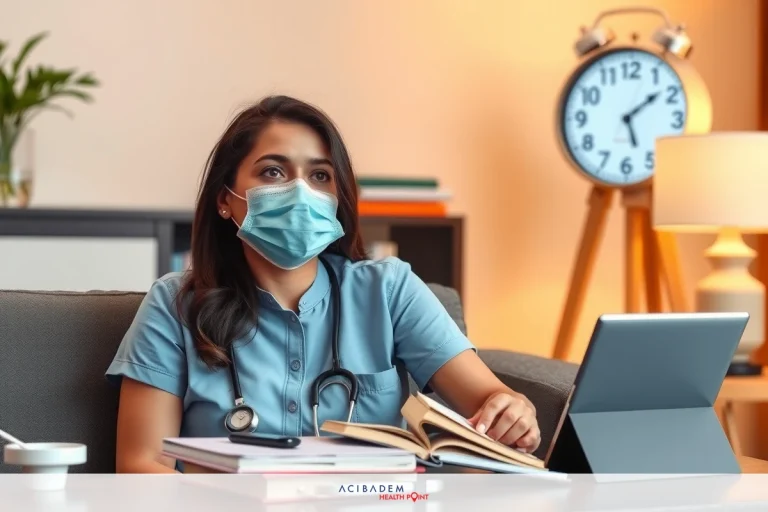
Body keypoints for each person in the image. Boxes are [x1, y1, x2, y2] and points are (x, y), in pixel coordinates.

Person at [105, 95, 540, 473]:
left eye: (319, 176)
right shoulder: (175, 305)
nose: (299, 192)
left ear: (337, 199)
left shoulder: (388, 290)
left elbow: (490, 401)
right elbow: (142, 464)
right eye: (273, 172)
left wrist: (513, 410)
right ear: (225, 199)